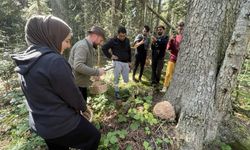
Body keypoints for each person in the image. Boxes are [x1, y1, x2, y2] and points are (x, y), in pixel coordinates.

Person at [11, 15, 100, 150]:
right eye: (66, 40)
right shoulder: (54, 61)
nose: (69, 45)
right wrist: (84, 108)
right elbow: (71, 94)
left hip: (41, 124)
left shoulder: (25, 60)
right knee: (93, 136)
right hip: (60, 124)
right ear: (52, 37)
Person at [68, 26, 106, 102]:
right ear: (95, 36)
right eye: (100, 40)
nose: (100, 43)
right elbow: (78, 66)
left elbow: (84, 66)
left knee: (82, 110)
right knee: (78, 111)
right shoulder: (83, 46)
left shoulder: (89, 47)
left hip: (80, 85)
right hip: (75, 87)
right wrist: (97, 72)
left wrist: (94, 74)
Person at [102, 26, 131, 99]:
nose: (122, 37)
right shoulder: (113, 40)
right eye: (121, 36)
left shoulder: (127, 40)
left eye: (124, 36)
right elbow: (104, 48)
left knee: (126, 78)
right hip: (117, 62)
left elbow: (129, 50)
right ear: (118, 34)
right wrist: (110, 56)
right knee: (116, 78)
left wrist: (129, 61)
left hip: (125, 63)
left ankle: (125, 90)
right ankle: (116, 92)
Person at [161, 21, 184, 92]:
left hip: (181, 60)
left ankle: (174, 88)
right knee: (168, 73)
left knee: (176, 75)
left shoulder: (185, 38)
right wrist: (170, 40)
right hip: (172, 58)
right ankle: (165, 86)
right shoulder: (174, 37)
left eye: (181, 28)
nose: (180, 30)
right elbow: (168, 48)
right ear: (177, 29)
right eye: (179, 28)